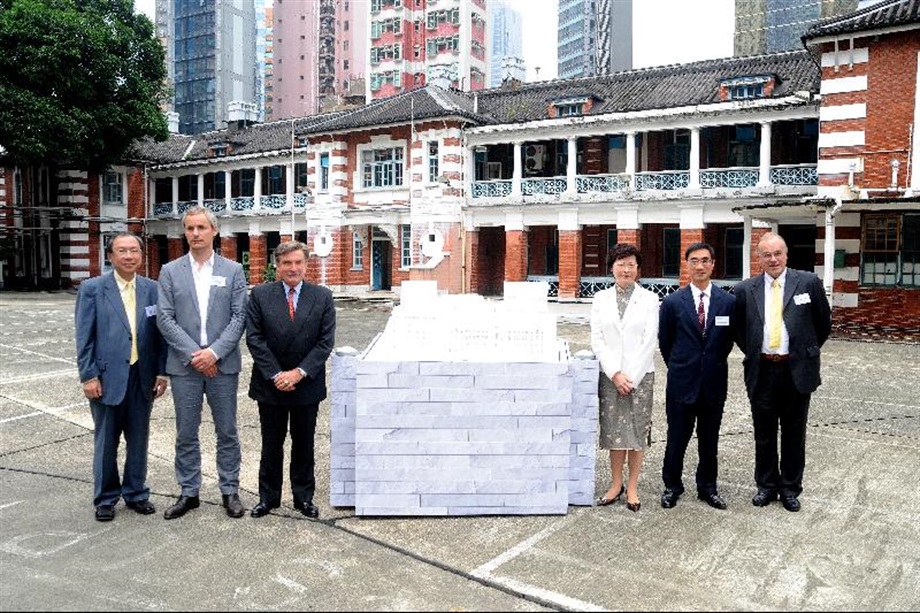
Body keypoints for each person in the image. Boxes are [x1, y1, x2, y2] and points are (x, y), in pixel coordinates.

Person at [156, 206, 248, 519]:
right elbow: (165, 319)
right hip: (185, 367)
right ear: (185, 232)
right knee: (185, 432)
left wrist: (214, 353)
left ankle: (230, 490)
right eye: (190, 228)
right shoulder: (170, 271)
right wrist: (196, 354)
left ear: (214, 231)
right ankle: (189, 491)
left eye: (201, 228)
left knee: (227, 431)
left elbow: (239, 317)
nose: (196, 234)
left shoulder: (232, 270)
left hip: (222, 365)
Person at [733, 232, 831, 512]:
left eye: (778, 253)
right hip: (762, 370)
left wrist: (801, 352)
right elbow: (741, 331)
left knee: (793, 433)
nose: (773, 259)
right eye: (767, 254)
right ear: (759, 258)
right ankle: (766, 486)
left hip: (796, 370)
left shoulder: (808, 283)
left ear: (786, 255)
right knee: (763, 433)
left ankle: (789, 488)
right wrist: (759, 351)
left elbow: (822, 325)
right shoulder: (744, 290)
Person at [75, 232, 168, 521]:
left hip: (143, 376)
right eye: (122, 251)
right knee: (106, 441)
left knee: (139, 439)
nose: (129, 256)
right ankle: (105, 498)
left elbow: (160, 335)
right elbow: (84, 336)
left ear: (142, 255)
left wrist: (162, 372)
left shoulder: (153, 289)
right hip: (106, 378)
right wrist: (88, 375)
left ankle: (136, 493)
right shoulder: (92, 288)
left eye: (134, 251)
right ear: (110, 256)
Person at [246, 241, 336, 519]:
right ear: (277, 265)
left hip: (306, 384)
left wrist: (298, 373)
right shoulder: (260, 295)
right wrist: (276, 374)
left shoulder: (322, 296)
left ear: (306, 265)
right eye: (287, 263)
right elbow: (255, 338)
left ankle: (303, 497)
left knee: (304, 443)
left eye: (298, 262)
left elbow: (325, 342)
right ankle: (268, 498)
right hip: (270, 384)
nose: (293, 268)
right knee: (271, 444)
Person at [658, 242, 736, 510]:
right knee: (677, 438)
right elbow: (665, 342)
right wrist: (682, 366)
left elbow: (727, 343)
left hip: (714, 383)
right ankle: (672, 486)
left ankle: (707, 487)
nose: (700, 266)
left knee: (709, 439)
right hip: (681, 383)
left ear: (713, 264)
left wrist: (709, 364)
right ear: (687, 265)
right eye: (694, 260)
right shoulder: (671, 302)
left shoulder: (728, 302)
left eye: (705, 260)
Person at [590, 243, 660, 512]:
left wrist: (630, 376)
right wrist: (615, 373)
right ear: (612, 268)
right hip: (610, 376)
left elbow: (649, 340)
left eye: (631, 264)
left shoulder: (650, 299)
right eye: (621, 264)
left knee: (636, 431)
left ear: (638, 269)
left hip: (640, 377)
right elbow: (597, 339)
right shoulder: (600, 299)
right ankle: (615, 483)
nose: (626, 269)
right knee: (614, 432)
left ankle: (632, 487)